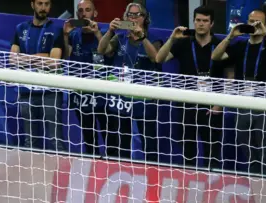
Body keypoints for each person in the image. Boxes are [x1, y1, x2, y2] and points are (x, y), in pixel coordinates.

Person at [212, 10, 266, 177]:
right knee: (248, 151)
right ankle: (255, 187)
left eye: (258, 22)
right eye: (251, 21)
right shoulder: (241, 46)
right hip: (244, 103)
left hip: (265, 104)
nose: (254, 25)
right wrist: (230, 36)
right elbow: (215, 56)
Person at [155, 6, 225, 170]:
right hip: (187, 106)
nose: (201, 24)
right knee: (188, 152)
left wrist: (220, 104)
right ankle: (189, 188)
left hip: (211, 106)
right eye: (198, 20)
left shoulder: (220, 45)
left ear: (212, 24)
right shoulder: (183, 43)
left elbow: (229, 76)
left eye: (205, 21)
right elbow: (159, 58)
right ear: (193, 22)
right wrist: (172, 38)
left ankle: (211, 189)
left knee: (212, 153)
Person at [97, 2, 162, 160]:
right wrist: (110, 31)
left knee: (149, 143)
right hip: (122, 100)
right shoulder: (119, 37)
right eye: (129, 15)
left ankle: (151, 174)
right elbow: (102, 50)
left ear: (145, 19)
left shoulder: (153, 39)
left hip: (144, 100)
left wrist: (142, 37)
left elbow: (156, 58)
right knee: (120, 141)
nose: (133, 18)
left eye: (136, 15)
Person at [64, 0, 119, 156]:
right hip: (82, 97)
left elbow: (107, 52)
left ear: (95, 13)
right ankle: (93, 171)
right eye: (80, 11)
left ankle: (112, 170)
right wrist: (65, 35)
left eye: (88, 10)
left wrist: (96, 33)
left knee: (111, 140)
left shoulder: (105, 33)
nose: (84, 14)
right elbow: (66, 56)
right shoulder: (73, 35)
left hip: (104, 98)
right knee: (89, 140)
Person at [10, 0, 65, 152]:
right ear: (32, 4)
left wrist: (26, 58)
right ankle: (31, 174)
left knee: (55, 140)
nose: (43, 8)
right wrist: (42, 56)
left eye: (47, 4)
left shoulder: (56, 30)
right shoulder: (20, 29)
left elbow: (54, 63)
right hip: (27, 90)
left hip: (50, 91)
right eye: (40, 3)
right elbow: (13, 59)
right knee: (30, 141)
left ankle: (59, 174)